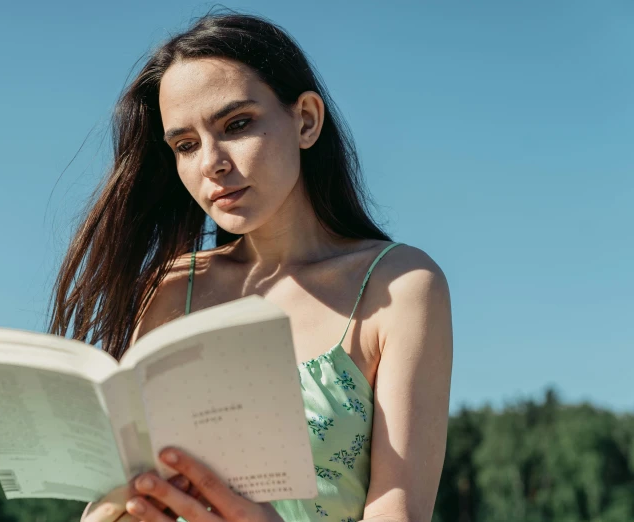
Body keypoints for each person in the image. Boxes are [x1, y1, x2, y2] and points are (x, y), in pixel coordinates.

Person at [49, 10, 453, 522]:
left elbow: (400, 510)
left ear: (305, 120)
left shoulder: (400, 288)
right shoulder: (173, 290)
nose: (211, 163)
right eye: (185, 145)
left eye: (237, 125)